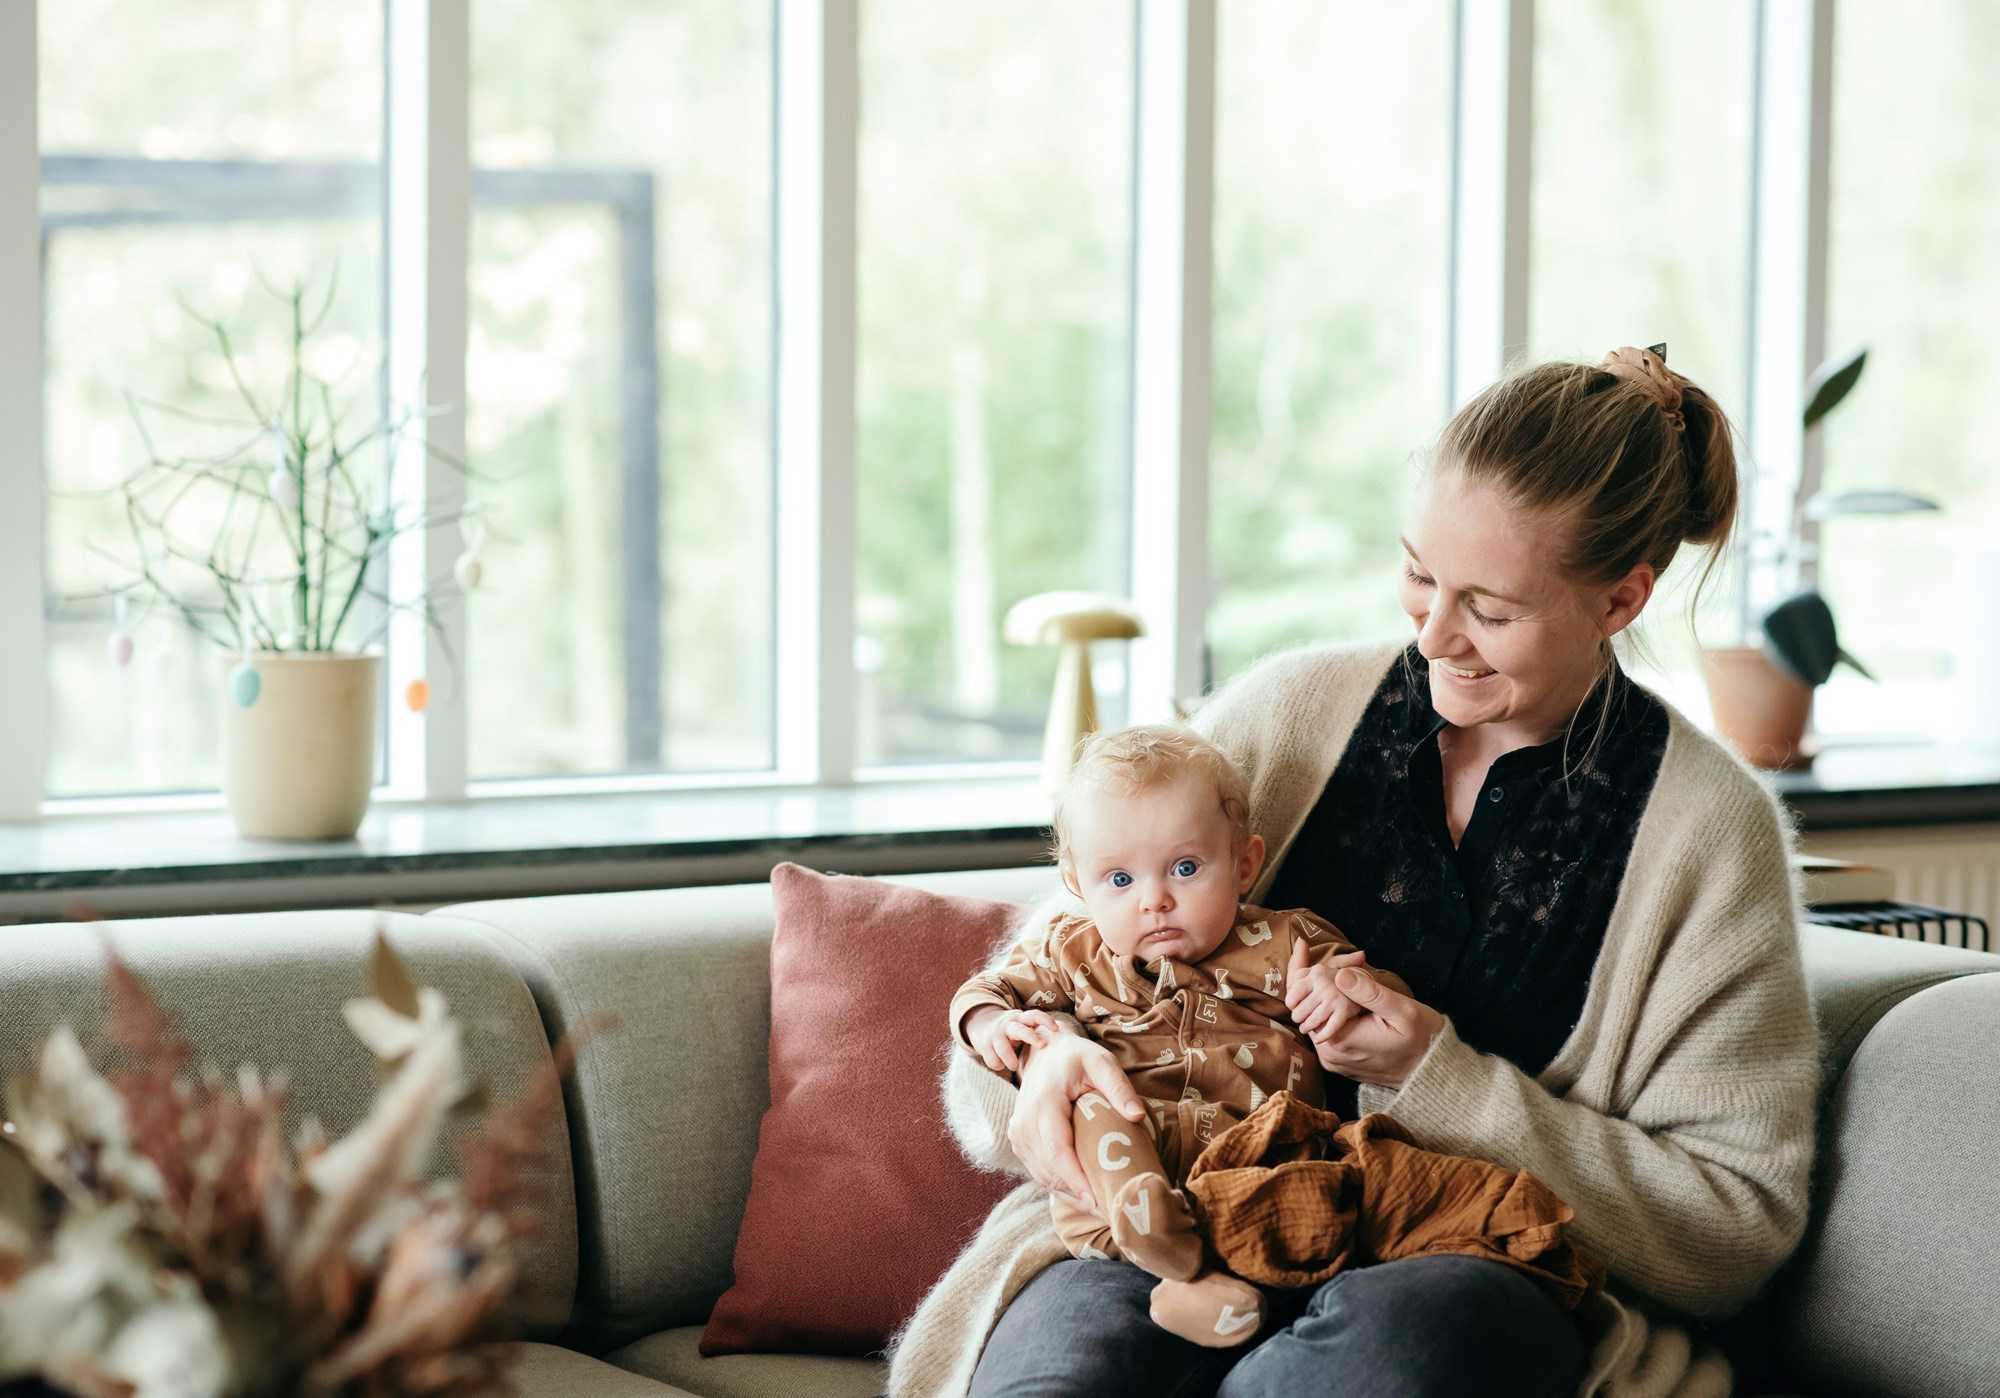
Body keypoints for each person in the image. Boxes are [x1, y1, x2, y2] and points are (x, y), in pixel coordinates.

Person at [887, 345, 1820, 1398]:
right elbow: (1034, 989)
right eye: (1419, 575)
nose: (1434, 635)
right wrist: (1040, 1067)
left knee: (1391, 1356)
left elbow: (1730, 1230)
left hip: (1462, 1269)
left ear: (1619, 600)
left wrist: (1437, 1076)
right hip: (1165, 1224)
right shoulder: (1284, 715)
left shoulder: (1707, 836)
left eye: (1489, 609)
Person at [950, 723, 1415, 1347]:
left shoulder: (1286, 942)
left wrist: (1341, 990)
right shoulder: (1070, 952)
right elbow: (983, 993)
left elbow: (1388, 1006)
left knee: (1319, 1200)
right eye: (1120, 880)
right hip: (1127, 1149)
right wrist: (996, 1024)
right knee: (1091, 1113)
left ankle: (1189, 1280)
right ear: (1078, 885)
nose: (1155, 900)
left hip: (1257, 1154)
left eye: (1185, 868)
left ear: (1244, 864)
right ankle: (1158, 1236)